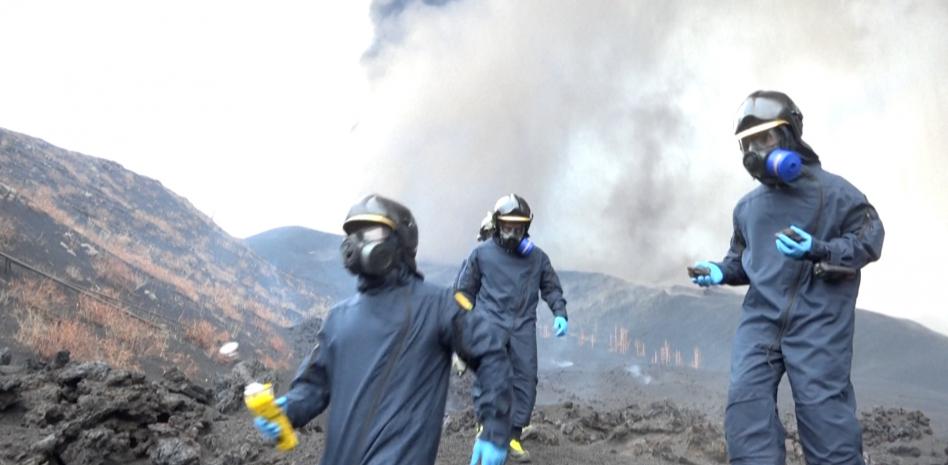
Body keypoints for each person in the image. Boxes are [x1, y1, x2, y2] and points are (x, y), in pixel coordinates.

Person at [691, 91, 884, 465]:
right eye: (748, 143)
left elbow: (869, 241)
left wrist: (821, 249)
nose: (755, 151)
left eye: (765, 138)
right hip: (761, 322)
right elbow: (742, 260)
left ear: (790, 135)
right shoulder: (748, 208)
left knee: (826, 426)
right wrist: (720, 271)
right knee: (745, 409)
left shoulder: (838, 194)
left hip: (818, 325)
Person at [252, 194, 512, 465]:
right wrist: (290, 408)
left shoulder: (438, 306)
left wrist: (493, 429)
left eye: (370, 233)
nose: (356, 242)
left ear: (401, 242)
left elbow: (491, 354)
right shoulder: (338, 318)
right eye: (353, 234)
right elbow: (315, 385)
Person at [456, 193, 569, 462]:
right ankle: (486, 426)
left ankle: (514, 436)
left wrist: (559, 312)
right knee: (490, 377)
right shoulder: (481, 254)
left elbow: (551, 287)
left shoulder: (537, 258)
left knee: (525, 380)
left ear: (526, 228)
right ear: (496, 225)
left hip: (522, 327)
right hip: (489, 323)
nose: (512, 232)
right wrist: (463, 324)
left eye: (518, 227)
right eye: (507, 226)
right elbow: (463, 291)